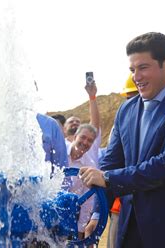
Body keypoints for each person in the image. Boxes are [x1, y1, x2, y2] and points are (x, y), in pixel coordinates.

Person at [79, 32, 165, 248]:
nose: (136, 77)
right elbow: (112, 163)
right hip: (129, 233)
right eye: (132, 70)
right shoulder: (126, 110)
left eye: (143, 67)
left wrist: (108, 178)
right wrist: (97, 213)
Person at [106, 73, 139, 248]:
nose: (132, 102)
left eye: (133, 97)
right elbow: (111, 162)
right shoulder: (121, 122)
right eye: (128, 98)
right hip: (121, 204)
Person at [66, 81, 101, 238]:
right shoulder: (58, 153)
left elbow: (88, 201)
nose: (85, 143)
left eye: (90, 141)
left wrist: (80, 229)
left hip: (74, 214)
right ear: (74, 137)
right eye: (83, 138)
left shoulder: (90, 165)